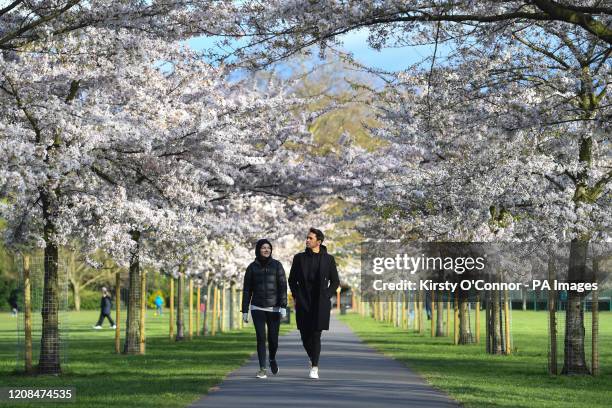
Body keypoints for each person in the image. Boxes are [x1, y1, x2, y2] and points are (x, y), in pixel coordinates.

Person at [288, 228, 339, 379]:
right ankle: (312, 357)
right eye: (307, 238)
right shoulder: (299, 258)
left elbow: (335, 281)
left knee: (316, 335)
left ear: (319, 241)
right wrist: (297, 295)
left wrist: (326, 295)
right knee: (305, 335)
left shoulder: (328, 259)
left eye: (310, 238)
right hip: (303, 301)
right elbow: (292, 280)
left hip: (320, 302)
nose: (307, 240)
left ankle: (315, 367)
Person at [241, 239, 288, 379]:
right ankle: (262, 368)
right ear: (258, 250)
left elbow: (282, 286)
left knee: (273, 339)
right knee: (261, 338)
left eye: (268, 248)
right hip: (257, 308)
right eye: (263, 248)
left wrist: (283, 306)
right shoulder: (251, 268)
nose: (266, 250)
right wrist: (244, 310)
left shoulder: (277, 265)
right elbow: (247, 290)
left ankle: (272, 358)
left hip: (274, 309)